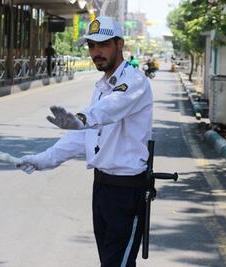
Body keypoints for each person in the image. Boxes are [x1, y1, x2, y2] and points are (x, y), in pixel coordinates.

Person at [17, 16, 153, 267]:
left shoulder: (134, 81)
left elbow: (110, 109)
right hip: (102, 188)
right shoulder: (102, 86)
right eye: (91, 46)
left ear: (119, 44)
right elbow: (83, 136)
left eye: (103, 45)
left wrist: (81, 118)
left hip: (127, 191)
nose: (96, 52)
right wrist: (43, 160)